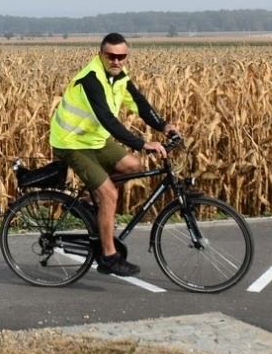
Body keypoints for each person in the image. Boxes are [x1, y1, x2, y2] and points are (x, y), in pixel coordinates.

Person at [48, 33, 179, 277]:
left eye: (121, 56)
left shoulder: (119, 77)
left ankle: (90, 202)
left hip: (95, 139)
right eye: (111, 56)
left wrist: (164, 126)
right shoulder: (91, 79)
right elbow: (107, 119)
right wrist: (142, 143)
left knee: (132, 166)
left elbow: (140, 103)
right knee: (109, 194)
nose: (116, 61)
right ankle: (108, 257)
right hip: (72, 142)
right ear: (101, 55)